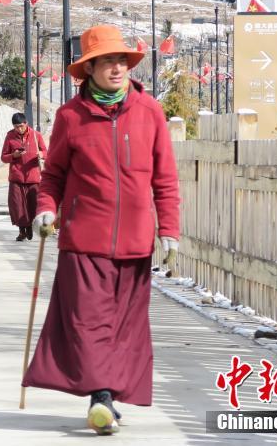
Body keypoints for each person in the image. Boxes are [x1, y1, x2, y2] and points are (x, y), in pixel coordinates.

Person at [21, 24, 180, 435]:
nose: (116, 68)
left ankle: (107, 395)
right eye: (107, 61)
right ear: (88, 69)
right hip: (83, 239)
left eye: (121, 60)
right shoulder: (70, 117)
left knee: (125, 327)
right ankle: (101, 398)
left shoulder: (150, 113)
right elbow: (53, 174)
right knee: (88, 321)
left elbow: (165, 179)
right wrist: (44, 208)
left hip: (135, 241)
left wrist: (170, 229)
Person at [0, 112, 47, 241]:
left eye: (21, 126)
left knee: (33, 205)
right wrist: (13, 156)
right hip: (16, 177)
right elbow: (3, 157)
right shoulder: (10, 136)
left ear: (26, 123)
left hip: (33, 177)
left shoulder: (36, 135)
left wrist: (41, 155)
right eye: (16, 127)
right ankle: (22, 231)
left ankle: (30, 227)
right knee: (17, 206)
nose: (19, 129)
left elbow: (46, 152)